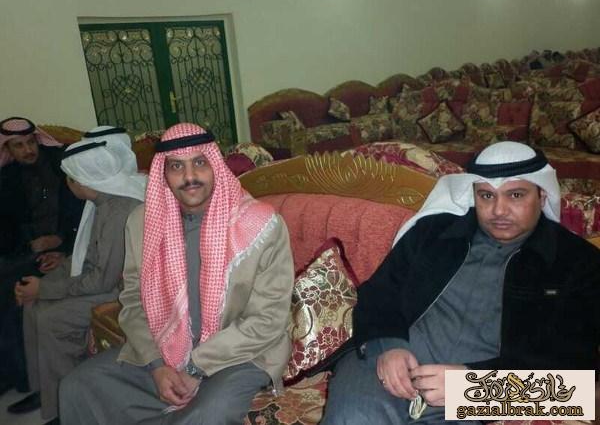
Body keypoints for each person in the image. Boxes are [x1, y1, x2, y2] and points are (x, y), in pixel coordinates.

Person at [320, 141, 600, 425]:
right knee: (353, 418)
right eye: (486, 196)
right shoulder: (433, 233)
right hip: (387, 368)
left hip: (483, 394)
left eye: (515, 195)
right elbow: (380, 294)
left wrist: (472, 385)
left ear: (542, 196)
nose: (499, 210)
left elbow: (575, 372)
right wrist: (389, 346)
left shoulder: (578, 263)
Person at [59, 123, 294, 425]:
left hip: (241, 354)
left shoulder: (262, 225)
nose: (189, 176)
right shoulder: (142, 223)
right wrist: (157, 364)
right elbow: (133, 301)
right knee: (77, 386)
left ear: (215, 165)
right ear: (163, 173)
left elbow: (268, 320)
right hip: (165, 347)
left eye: (199, 162)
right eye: (176, 166)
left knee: (205, 416)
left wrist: (195, 367)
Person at [9, 129, 147, 424]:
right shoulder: (99, 201)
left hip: (121, 290)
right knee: (33, 302)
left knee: (50, 317)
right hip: (99, 279)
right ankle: (46, 390)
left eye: (69, 179)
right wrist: (43, 285)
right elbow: (86, 254)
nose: (67, 185)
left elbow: (102, 279)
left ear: (82, 182)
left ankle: (67, 405)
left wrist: (45, 289)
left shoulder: (119, 209)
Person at [0, 117, 84, 397]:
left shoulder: (63, 168)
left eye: (31, 142)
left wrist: (61, 243)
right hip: (24, 252)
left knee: (16, 294)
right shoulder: (6, 179)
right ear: (7, 149)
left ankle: (27, 380)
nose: (28, 150)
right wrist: (28, 243)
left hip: (64, 248)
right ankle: (9, 373)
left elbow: (83, 218)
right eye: (19, 145)